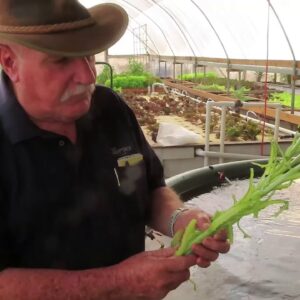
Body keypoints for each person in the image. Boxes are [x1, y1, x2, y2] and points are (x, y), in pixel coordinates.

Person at [0, 0, 230, 299]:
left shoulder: (111, 109)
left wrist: (180, 219)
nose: (88, 76)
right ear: (10, 62)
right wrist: (118, 283)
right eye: (61, 60)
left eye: (89, 57)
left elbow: (151, 190)